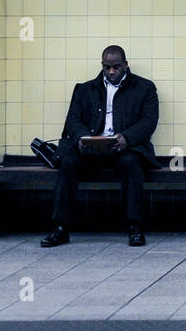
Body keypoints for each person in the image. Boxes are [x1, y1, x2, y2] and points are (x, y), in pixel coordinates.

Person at [40, 45, 160, 248]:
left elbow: (148, 122)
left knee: (131, 164)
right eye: (107, 67)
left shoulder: (144, 88)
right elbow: (73, 120)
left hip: (125, 148)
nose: (111, 72)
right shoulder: (85, 89)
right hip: (90, 148)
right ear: (102, 66)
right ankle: (59, 228)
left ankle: (134, 227)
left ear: (126, 65)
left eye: (116, 67)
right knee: (68, 163)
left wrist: (126, 138)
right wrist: (82, 138)